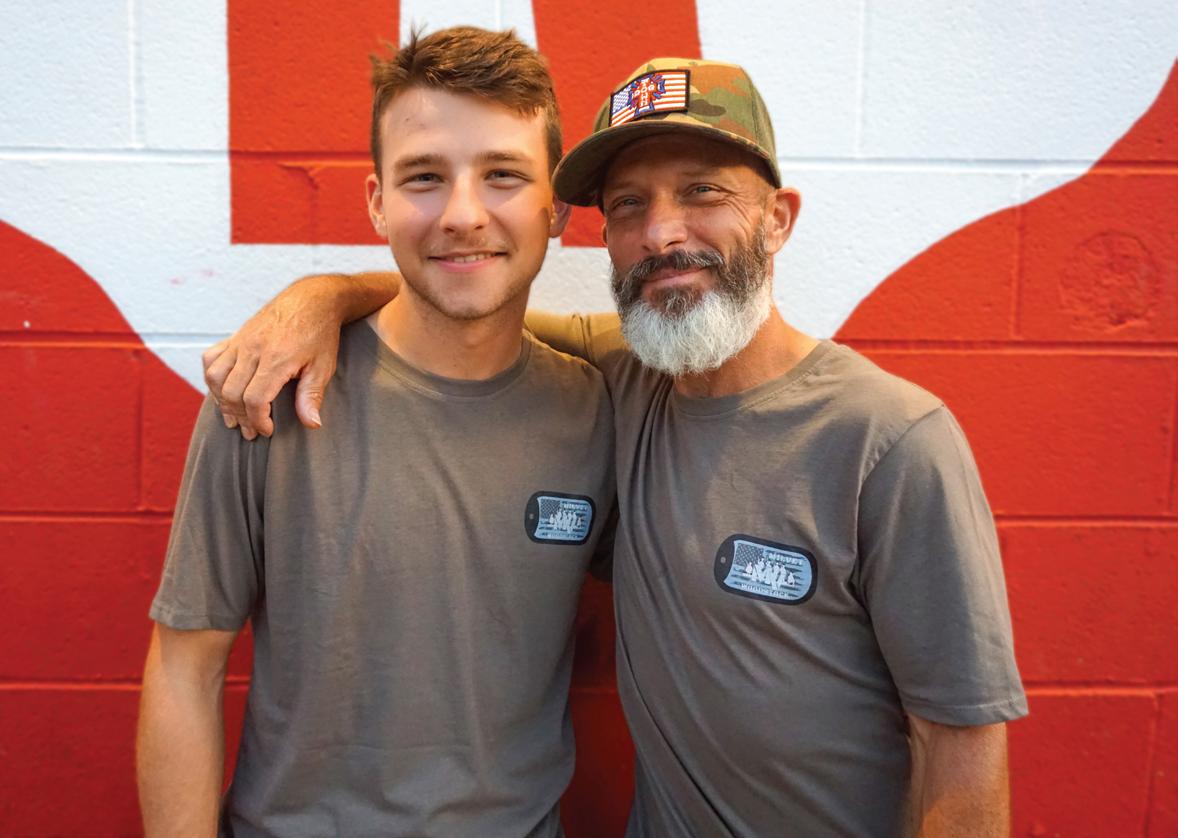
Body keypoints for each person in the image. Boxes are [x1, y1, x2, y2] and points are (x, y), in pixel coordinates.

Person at [206, 58, 1027, 837]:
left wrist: (321, 294)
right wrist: (321, 296)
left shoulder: (891, 441)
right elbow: (464, 295)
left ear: (778, 219)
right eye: (629, 205)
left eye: (702, 192)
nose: (661, 232)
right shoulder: (623, 378)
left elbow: (960, 748)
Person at [137, 27, 615, 837]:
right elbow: (186, 669)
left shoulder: (598, 413)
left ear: (557, 208)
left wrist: (330, 289)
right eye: (424, 177)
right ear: (376, 202)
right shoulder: (265, 393)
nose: (463, 215)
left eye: (503, 175)